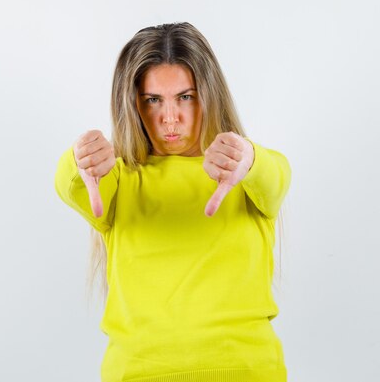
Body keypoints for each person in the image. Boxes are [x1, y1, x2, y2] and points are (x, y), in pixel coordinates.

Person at [54, 22, 291, 382]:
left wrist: (249, 160)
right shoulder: (117, 179)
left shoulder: (251, 174)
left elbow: (274, 176)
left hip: (246, 372)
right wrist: (79, 160)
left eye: (186, 96)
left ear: (210, 95)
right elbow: (68, 184)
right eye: (153, 100)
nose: (170, 118)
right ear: (133, 103)